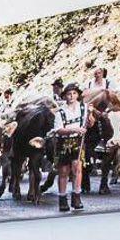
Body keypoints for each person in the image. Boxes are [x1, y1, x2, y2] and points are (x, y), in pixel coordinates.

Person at [50, 82, 87, 212]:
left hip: (78, 141)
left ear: (77, 95)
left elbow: (90, 122)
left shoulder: (84, 108)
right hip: (63, 142)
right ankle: (62, 199)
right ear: (65, 96)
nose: (71, 96)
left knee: (77, 168)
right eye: (69, 94)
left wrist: (90, 120)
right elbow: (58, 130)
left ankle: (76, 197)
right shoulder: (60, 112)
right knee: (64, 171)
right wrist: (74, 129)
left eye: (74, 93)